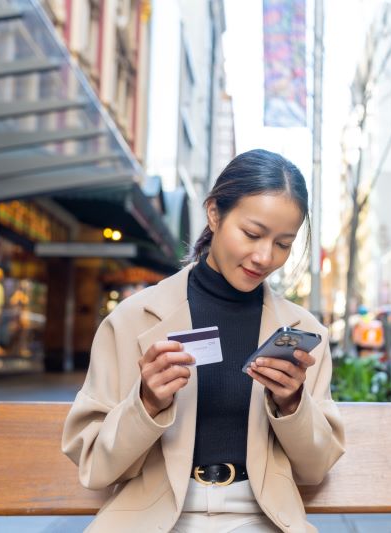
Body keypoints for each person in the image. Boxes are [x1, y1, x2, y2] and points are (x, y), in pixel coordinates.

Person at [62, 149, 345, 533]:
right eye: (252, 233)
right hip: (155, 518)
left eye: (283, 244)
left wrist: (292, 402)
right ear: (214, 213)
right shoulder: (131, 320)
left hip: (263, 517)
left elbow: (314, 470)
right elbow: (93, 463)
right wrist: (146, 403)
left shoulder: (303, 332)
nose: (264, 256)